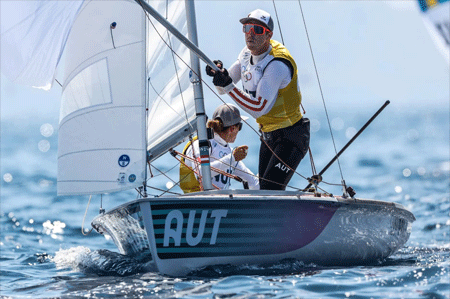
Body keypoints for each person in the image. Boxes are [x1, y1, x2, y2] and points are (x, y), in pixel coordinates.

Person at [206, 9, 310, 190]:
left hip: (292, 136)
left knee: (270, 190)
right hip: (269, 135)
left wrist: (228, 85)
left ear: (268, 35)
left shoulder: (277, 64)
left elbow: (259, 108)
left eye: (258, 30)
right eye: (247, 28)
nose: (251, 34)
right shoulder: (246, 54)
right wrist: (219, 75)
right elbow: (223, 89)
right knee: (263, 189)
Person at [179, 103, 259, 193]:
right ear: (232, 128)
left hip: (219, 203)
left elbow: (252, 181)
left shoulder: (229, 151)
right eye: (239, 126)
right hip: (197, 203)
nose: (239, 131)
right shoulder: (202, 144)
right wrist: (232, 158)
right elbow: (201, 173)